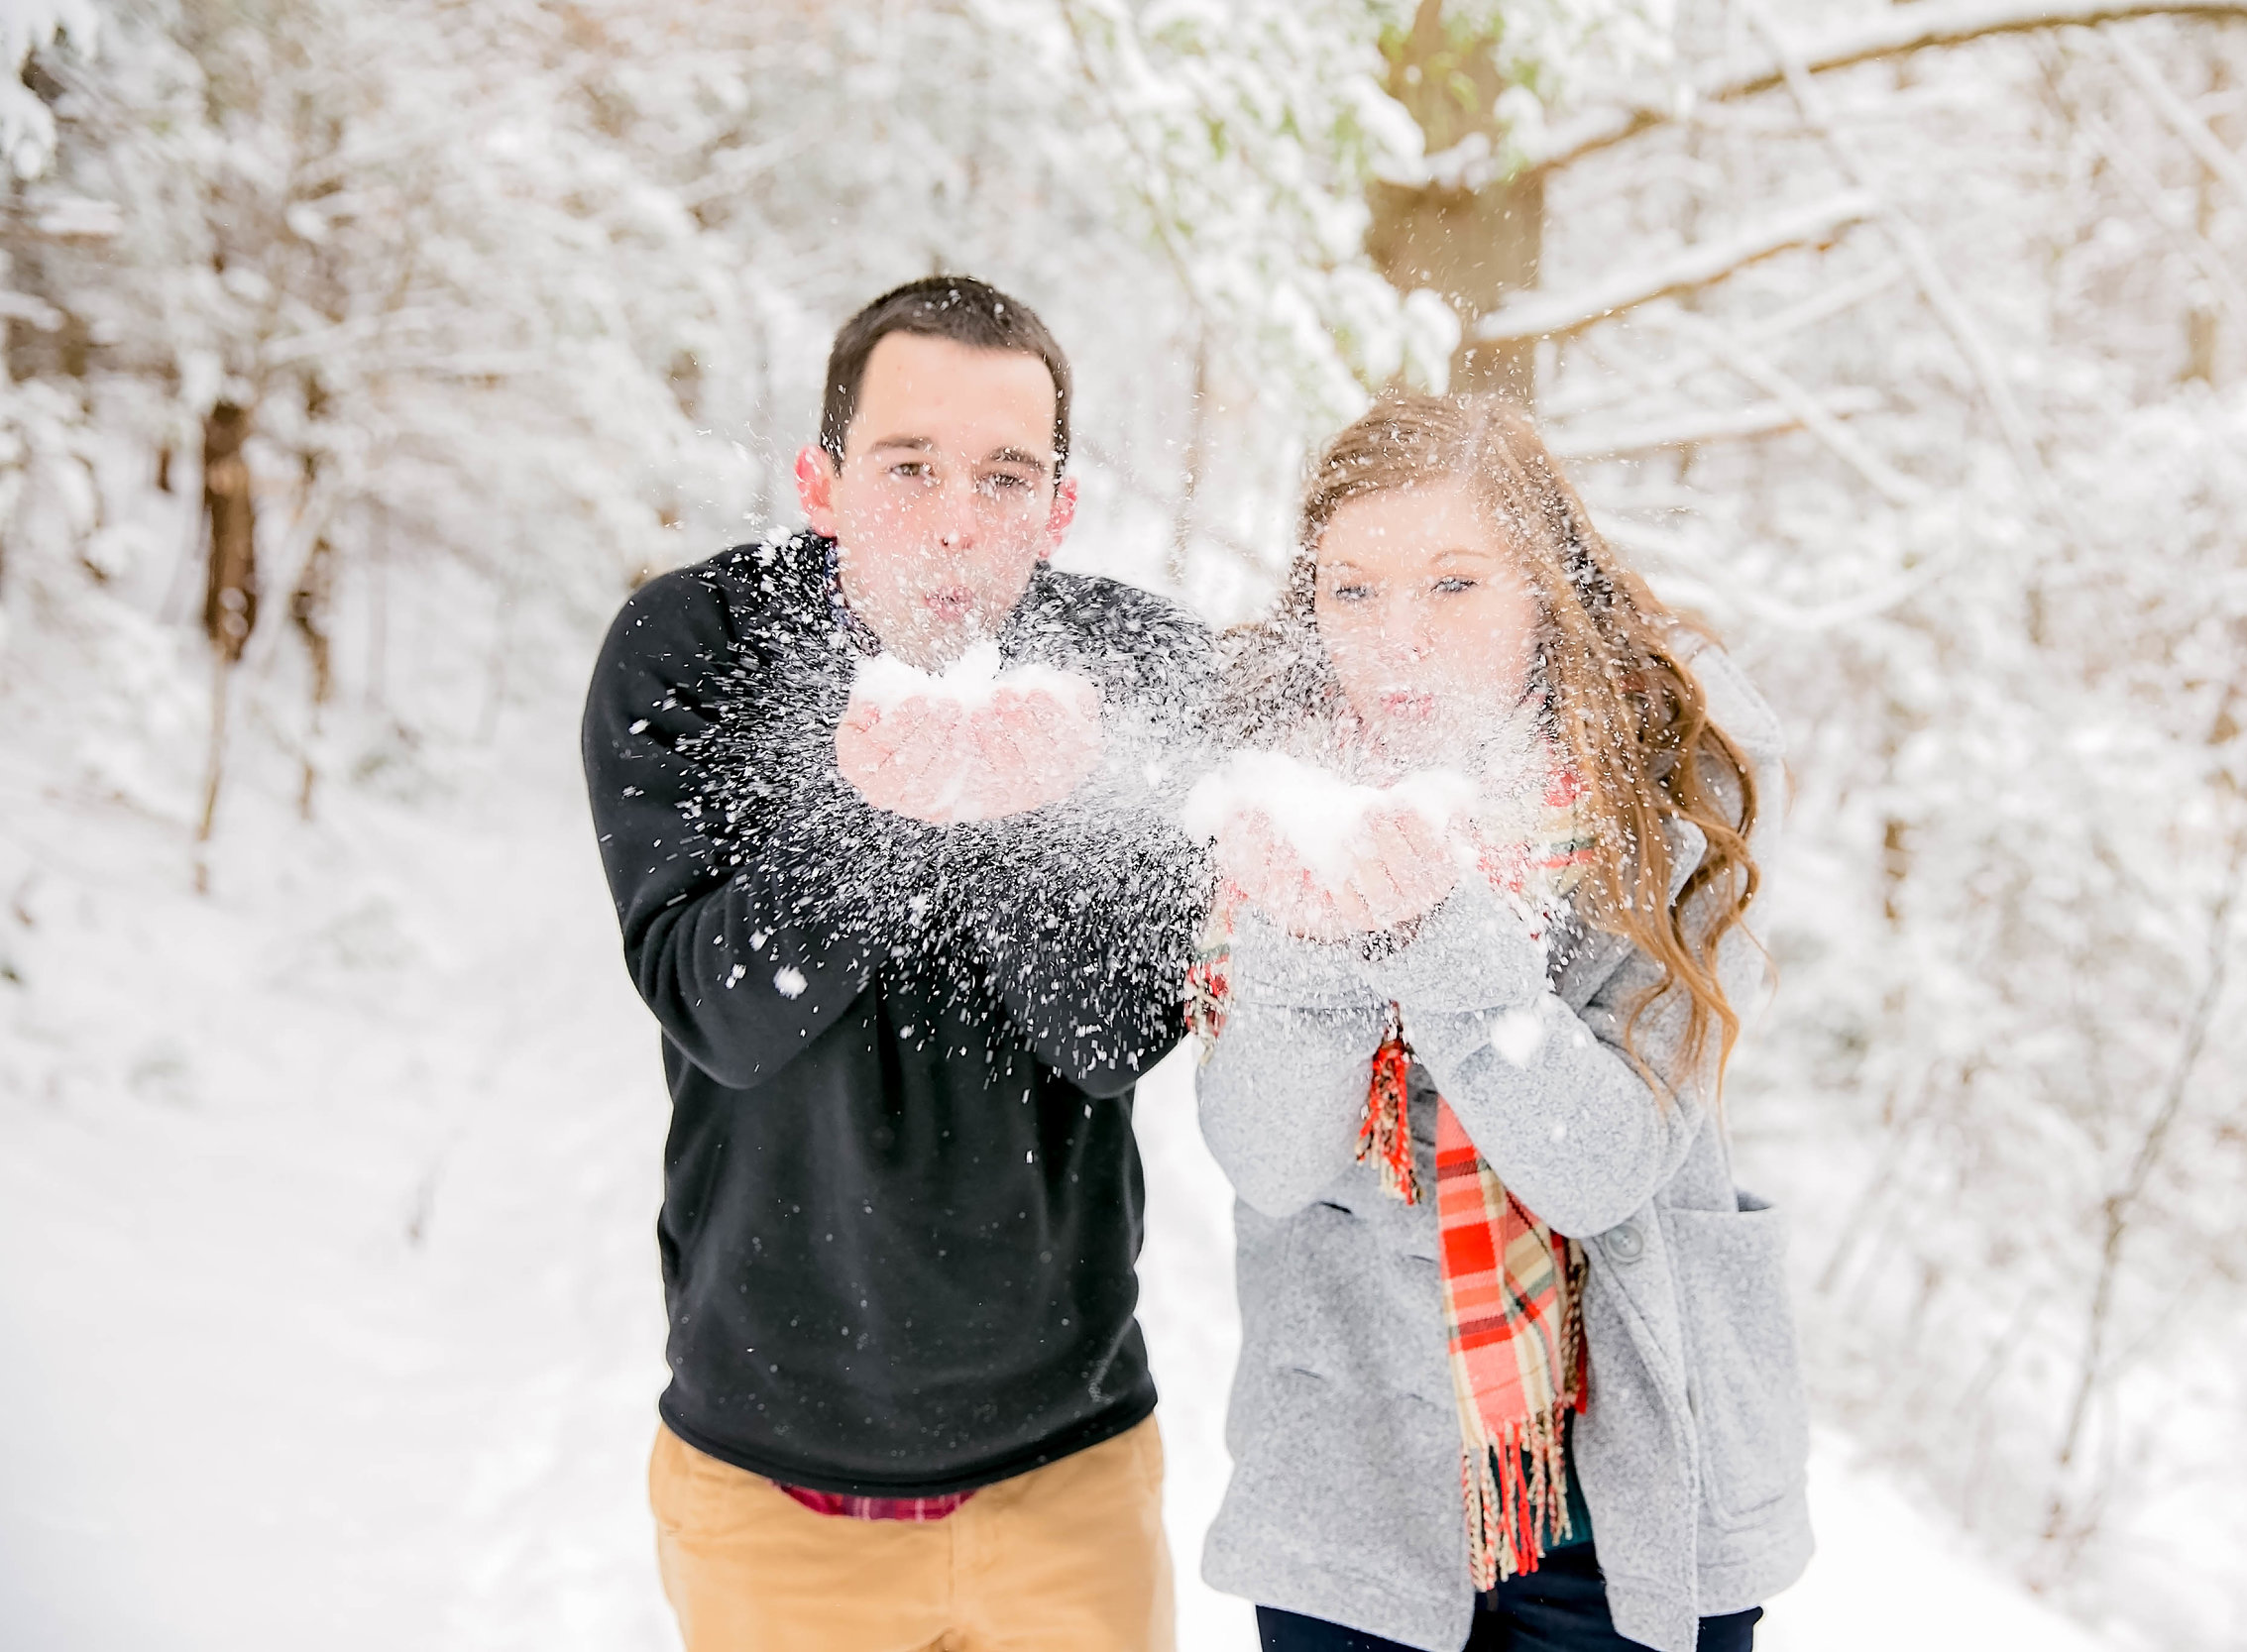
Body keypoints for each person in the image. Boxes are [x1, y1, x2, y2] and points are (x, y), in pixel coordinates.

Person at [581, 275, 1205, 1652]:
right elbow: (716, 1007)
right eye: (909, 465)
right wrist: (880, 815)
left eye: (1005, 475)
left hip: (1072, 1463)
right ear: (820, 477)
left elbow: (1113, 1033)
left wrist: (1021, 806)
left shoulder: (1136, 665)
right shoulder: (697, 649)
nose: (955, 521)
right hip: (768, 1477)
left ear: (1061, 506)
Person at [1185, 391, 1811, 1652]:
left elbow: (1601, 1167)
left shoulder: (1678, 786)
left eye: (1453, 584)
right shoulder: (1279, 781)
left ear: (1547, 585)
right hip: (1351, 1487)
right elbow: (1267, 1156)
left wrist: (1428, 933)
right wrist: (1314, 940)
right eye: (1352, 591)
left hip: (1627, 1488)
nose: (1396, 639)